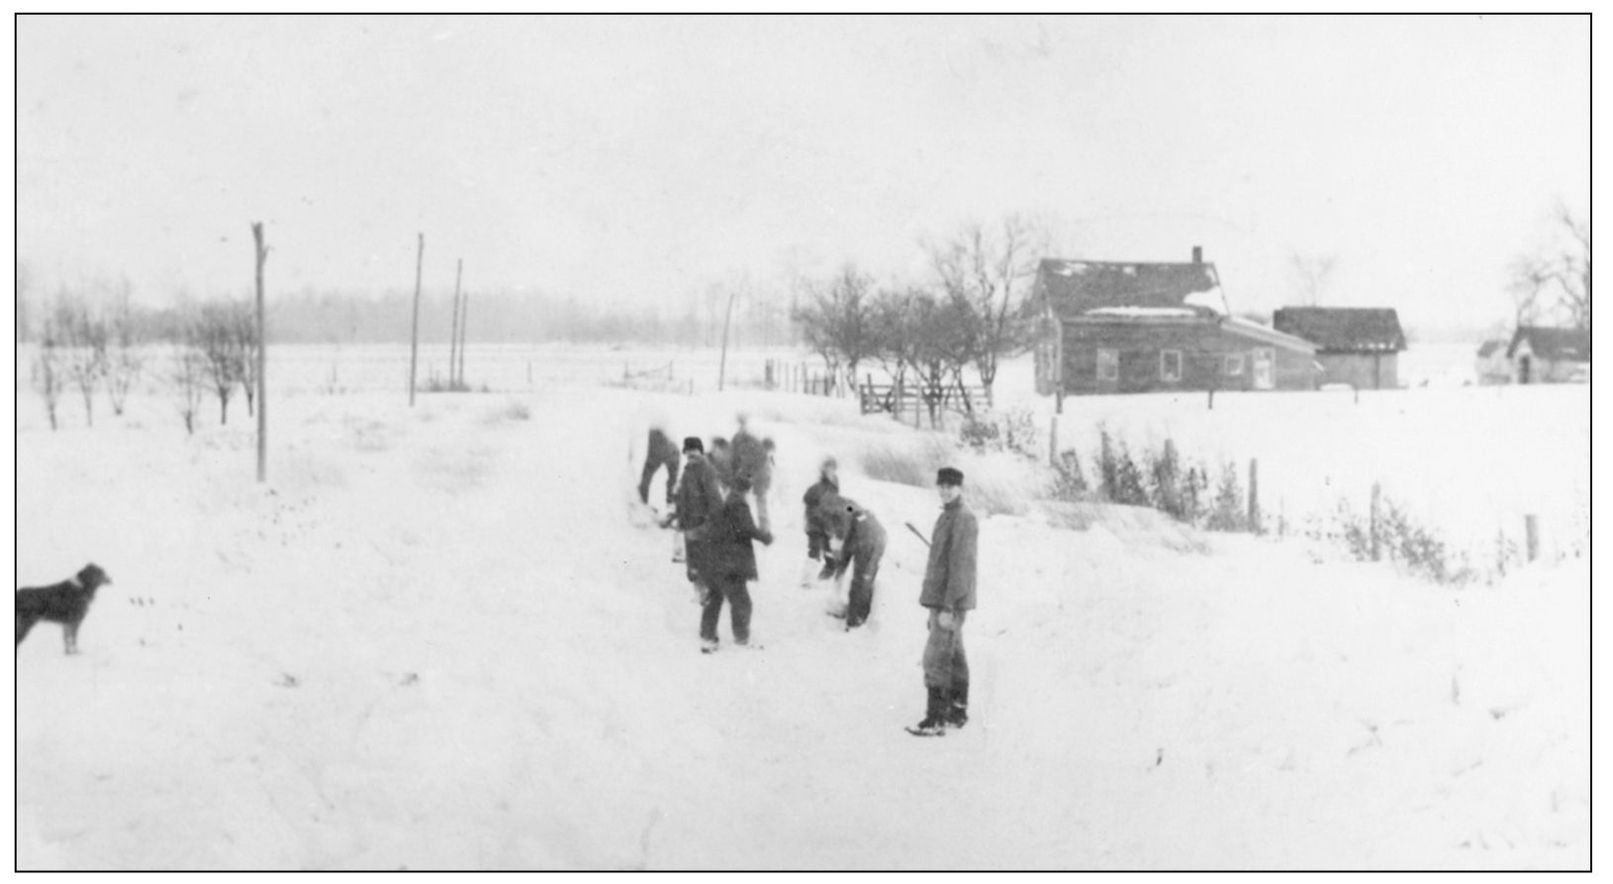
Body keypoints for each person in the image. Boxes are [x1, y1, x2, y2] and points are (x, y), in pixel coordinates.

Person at [908, 466, 977, 737]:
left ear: (960, 488)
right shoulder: (948, 516)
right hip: (943, 599)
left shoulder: (963, 518)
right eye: (942, 485)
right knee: (955, 654)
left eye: (951, 486)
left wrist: (949, 605)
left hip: (951, 601)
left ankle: (935, 719)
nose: (945, 490)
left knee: (935, 657)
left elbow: (961, 567)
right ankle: (957, 710)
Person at [697, 473, 774, 653]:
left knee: (715, 597)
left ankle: (707, 636)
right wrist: (765, 537)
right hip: (732, 561)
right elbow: (746, 528)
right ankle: (742, 639)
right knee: (742, 601)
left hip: (716, 558)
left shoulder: (726, 501)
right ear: (746, 489)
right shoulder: (738, 503)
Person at [818, 493, 886, 630]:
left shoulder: (844, 511)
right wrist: (840, 569)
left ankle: (855, 620)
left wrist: (840, 569)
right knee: (864, 578)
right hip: (874, 536)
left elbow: (844, 534)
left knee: (860, 580)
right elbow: (846, 549)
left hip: (869, 539)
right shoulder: (849, 507)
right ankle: (858, 613)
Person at [674, 437, 726, 602]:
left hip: (703, 524)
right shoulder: (688, 470)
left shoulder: (706, 470)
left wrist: (711, 522)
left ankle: (709, 594)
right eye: (688, 451)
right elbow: (683, 496)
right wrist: (680, 517)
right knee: (693, 563)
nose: (691, 454)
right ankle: (700, 593)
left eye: (694, 450)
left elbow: (715, 499)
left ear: (701, 451)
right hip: (689, 524)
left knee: (704, 561)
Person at [800, 456, 841, 586]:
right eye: (828, 469)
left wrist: (851, 510)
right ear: (823, 470)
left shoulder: (834, 488)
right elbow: (810, 504)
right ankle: (806, 580)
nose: (831, 472)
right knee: (815, 551)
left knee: (831, 554)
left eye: (833, 469)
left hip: (828, 527)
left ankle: (823, 579)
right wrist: (818, 516)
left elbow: (838, 505)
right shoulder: (816, 488)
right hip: (816, 526)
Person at [731, 415, 773, 532]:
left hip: (759, 472)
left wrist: (746, 472)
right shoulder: (735, 440)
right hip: (745, 473)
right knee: (740, 497)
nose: (741, 428)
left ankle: (764, 527)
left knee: (760, 499)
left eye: (743, 425)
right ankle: (740, 522)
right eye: (739, 425)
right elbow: (734, 458)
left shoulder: (752, 440)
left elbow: (758, 458)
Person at [638, 426, 681, 510]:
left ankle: (642, 501)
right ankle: (671, 503)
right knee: (672, 479)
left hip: (663, 445)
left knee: (647, 475)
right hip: (673, 449)